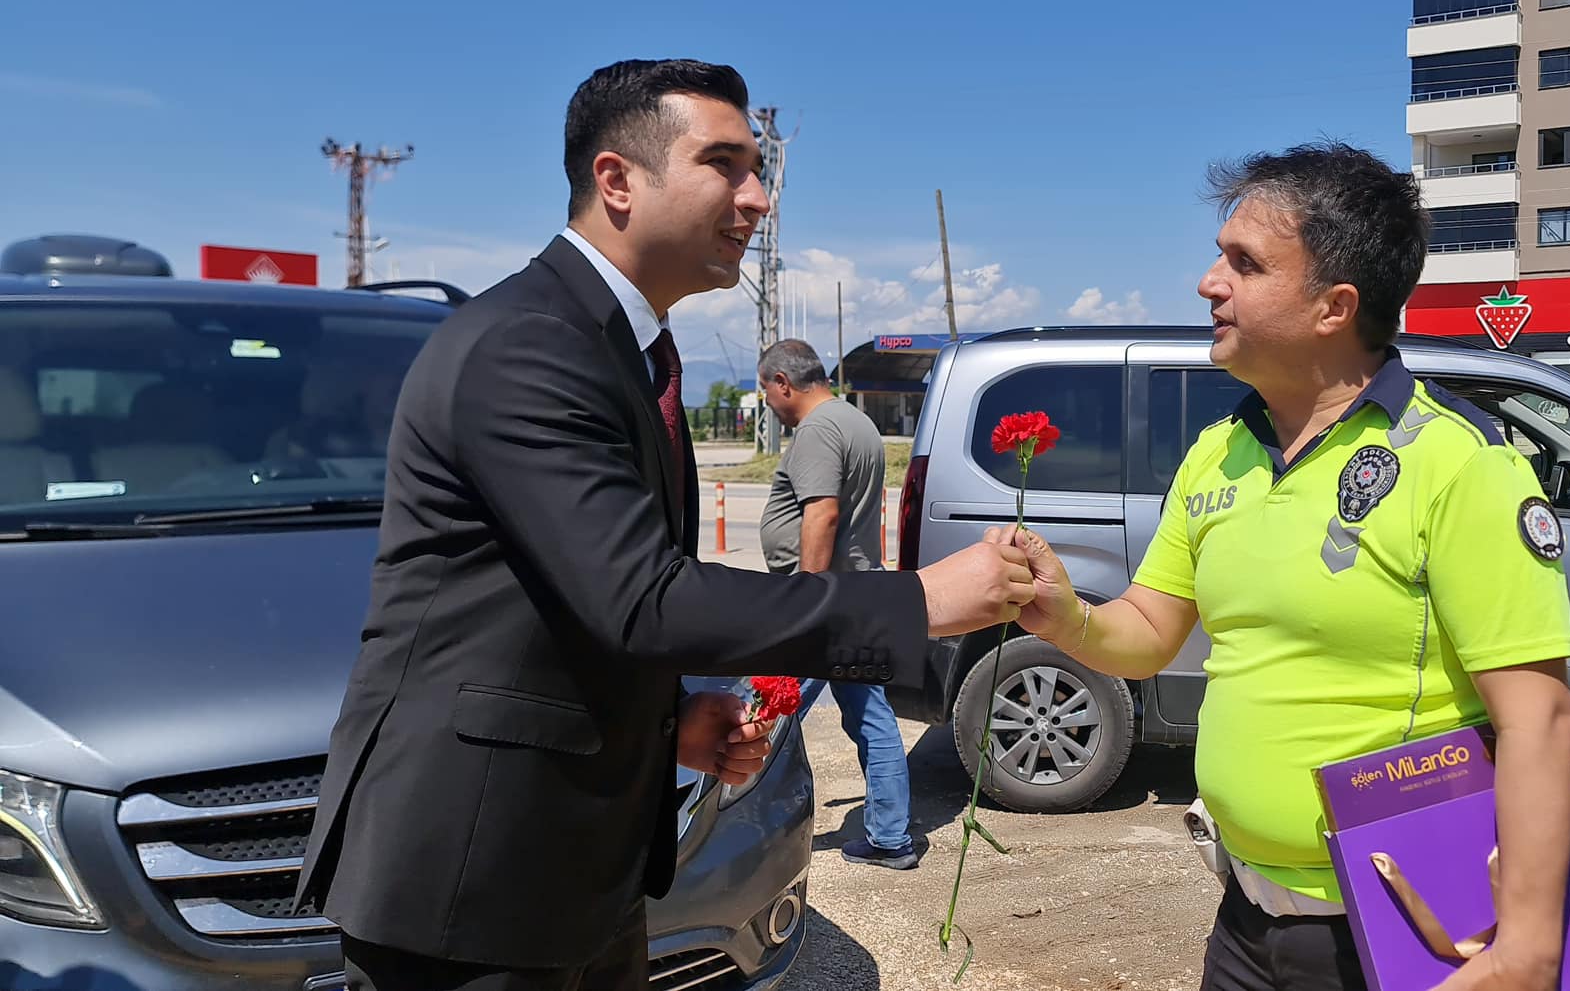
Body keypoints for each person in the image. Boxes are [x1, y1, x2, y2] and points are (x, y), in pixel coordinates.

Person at [295, 59, 1036, 991]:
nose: (758, 197)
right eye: (724, 164)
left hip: (575, 867)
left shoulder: (625, 346)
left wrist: (669, 721)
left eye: (756, 168)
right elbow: (639, 599)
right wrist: (913, 601)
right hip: (475, 875)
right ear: (617, 181)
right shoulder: (527, 345)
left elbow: (563, 607)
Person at [1009, 142, 1570, 991]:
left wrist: (1531, 945)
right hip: (1243, 914)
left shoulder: (1458, 463)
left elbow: (1541, 718)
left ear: (1333, 307)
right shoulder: (1218, 453)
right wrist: (1067, 617)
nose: (1210, 282)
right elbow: (1150, 633)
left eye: (1244, 262)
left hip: (1400, 918)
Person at [756, 338, 918, 870]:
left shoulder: (820, 429)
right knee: (871, 715)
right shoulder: (856, 422)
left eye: (765, 390)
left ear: (783, 381)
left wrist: (806, 599)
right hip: (856, 594)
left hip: (824, 602)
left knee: (769, 713)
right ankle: (890, 837)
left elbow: (821, 515)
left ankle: (736, 831)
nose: (767, 403)